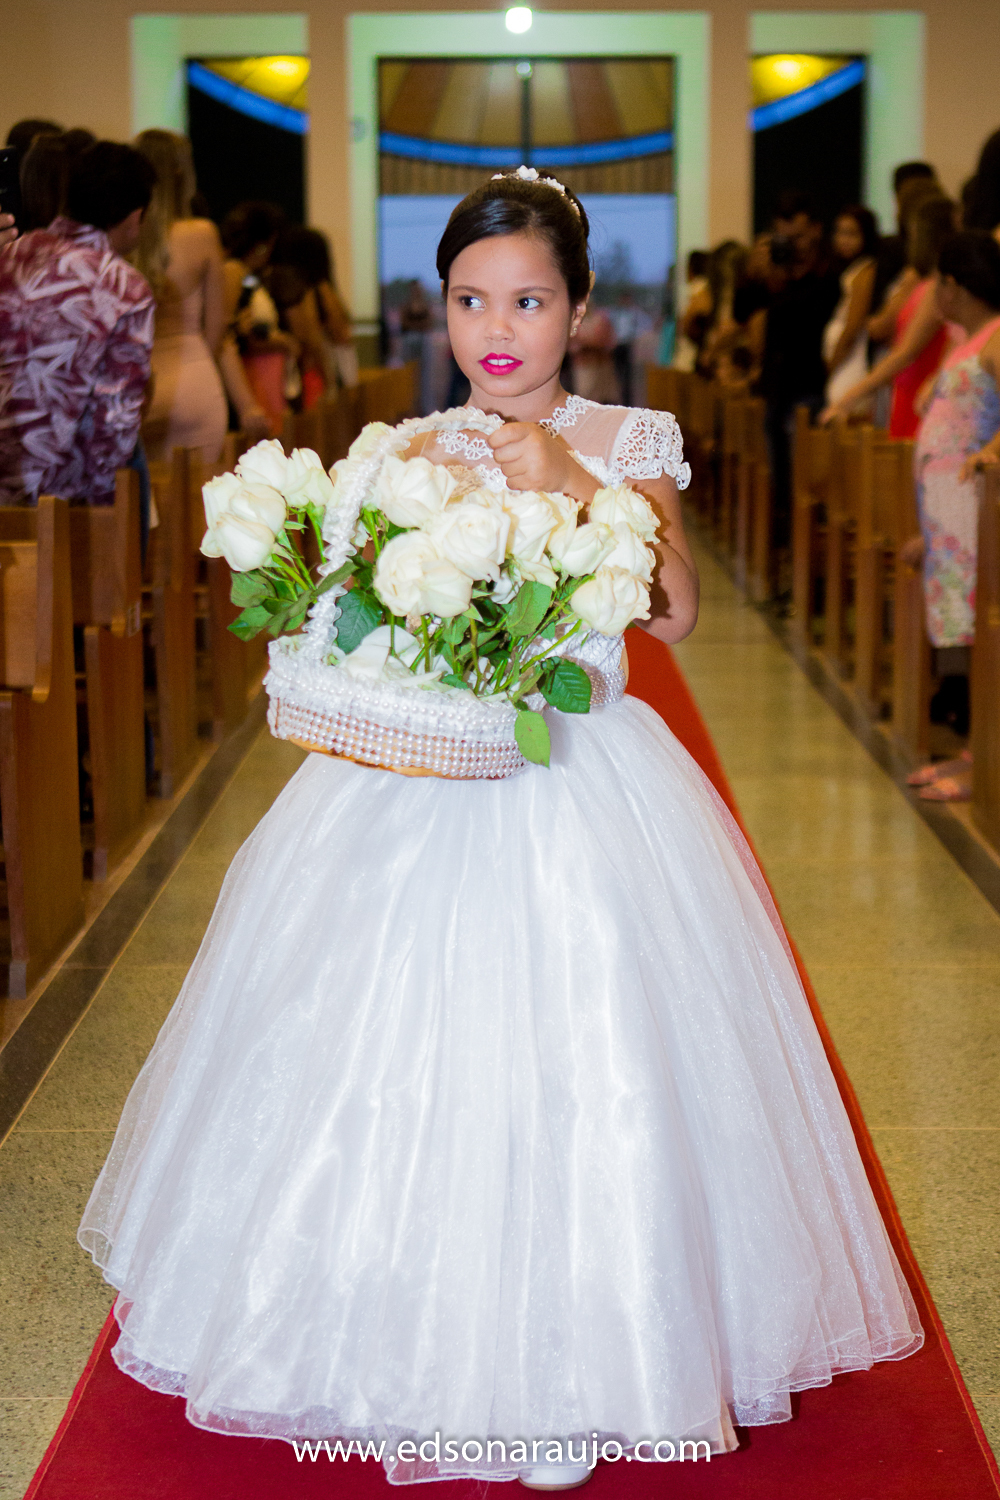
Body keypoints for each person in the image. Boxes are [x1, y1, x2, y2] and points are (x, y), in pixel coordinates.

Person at [78, 166, 922, 1491]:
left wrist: (576, 481)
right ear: (442, 306)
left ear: (580, 308)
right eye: (474, 299)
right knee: (392, 1054)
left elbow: (682, 611)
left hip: (585, 776)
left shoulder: (628, 439)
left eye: (529, 298)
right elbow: (360, 625)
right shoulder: (405, 451)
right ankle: (389, 1335)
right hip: (420, 787)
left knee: (592, 1057)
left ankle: (586, 1360)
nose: (499, 328)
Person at [0, 140, 155, 505]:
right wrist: (106, 516)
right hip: (63, 498)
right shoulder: (123, 286)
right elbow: (114, 421)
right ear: (135, 216)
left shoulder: (9, 255)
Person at [902, 231, 1000, 800]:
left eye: (938, 282)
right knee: (961, 636)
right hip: (947, 519)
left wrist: (992, 451)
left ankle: (982, 762)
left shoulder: (995, 337)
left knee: (980, 637)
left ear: (954, 286)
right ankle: (971, 753)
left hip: (972, 513)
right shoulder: (966, 340)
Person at [821, 195, 957, 435]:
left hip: (918, 385)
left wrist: (852, 395)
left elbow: (905, 351)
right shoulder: (922, 281)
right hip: (905, 386)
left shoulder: (937, 287)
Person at [132, 129, 227, 465]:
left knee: (139, 509)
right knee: (201, 506)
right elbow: (217, 327)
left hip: (138, 388)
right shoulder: (201, 234)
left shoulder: (126, 238)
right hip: (193, 381)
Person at [220, 200, 289, 438]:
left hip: (255, 375)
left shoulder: (247, 274)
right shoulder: (232, 271)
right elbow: (225, 332)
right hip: (243, 376)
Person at [268, 225, 358, 409]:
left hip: (280, 374)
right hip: (311, 374)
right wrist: (330, 381)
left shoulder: (274, 282)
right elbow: (333, 334)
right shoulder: (308, 289)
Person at [822, 205, 879, 406]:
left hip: (851, 360)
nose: (843, 240)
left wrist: (833, 362)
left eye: (851, 233)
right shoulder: (849, 270)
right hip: (844, 362)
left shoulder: (865, 271)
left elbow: (853, 327)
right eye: (840, 232)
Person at [670, 248, 709, 371]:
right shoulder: (702, 292)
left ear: (691, 268)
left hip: (693, 360)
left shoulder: (699, 294)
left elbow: (687, 328)